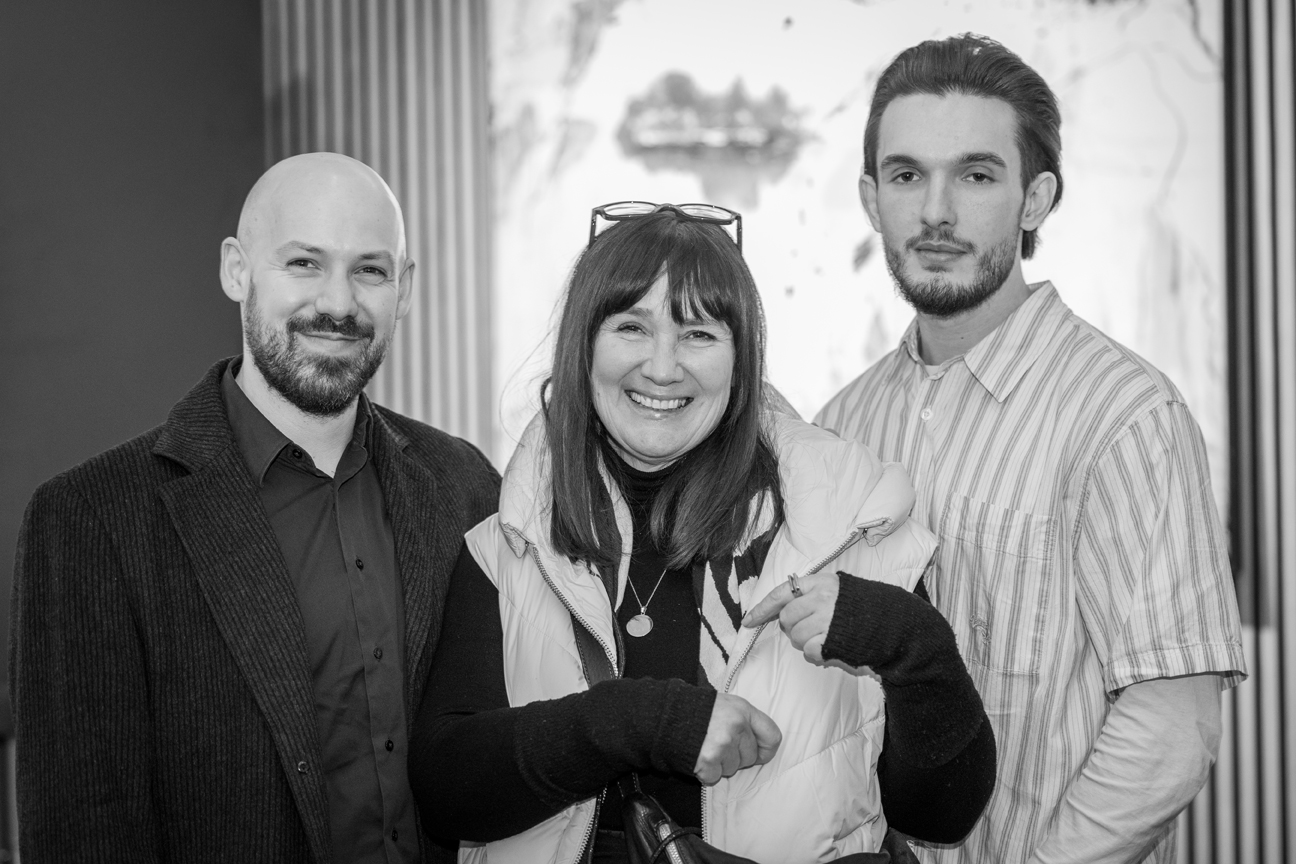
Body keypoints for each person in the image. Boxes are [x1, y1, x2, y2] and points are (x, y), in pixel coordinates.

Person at [408, 202, 995, 864]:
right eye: (632, 327)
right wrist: (634, 721)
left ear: (742, 360)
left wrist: (914, 643)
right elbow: (446, 792)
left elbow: (941, 813)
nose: (663, 368)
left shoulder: (849, 529)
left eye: (698, 334)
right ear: (583, 347)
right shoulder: (510, 544)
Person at [815, 35, 1246, 864]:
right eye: (906, 175)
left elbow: (1170, 728)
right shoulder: (841, 424)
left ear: (1035, 198)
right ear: (871, 198)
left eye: (976, 175)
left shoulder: (1125, 414)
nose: (935, 211)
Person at [10, 152, 500, 863]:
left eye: (370, 269)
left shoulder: (465, 485)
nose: (339, 303)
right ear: (237, 271)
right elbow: (84, 827)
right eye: (304, 263)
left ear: (406, 288)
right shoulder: (89, 521)